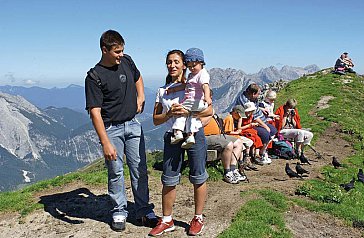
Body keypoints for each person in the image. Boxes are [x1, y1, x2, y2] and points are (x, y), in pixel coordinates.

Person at [84, 30, 157, 232]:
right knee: (115, 171)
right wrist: (105, 141)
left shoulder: (127, 61)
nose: (121, 55)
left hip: (133, 124)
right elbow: (95, 113)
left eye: (122, 50)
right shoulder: (94, 77)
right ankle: (119, 210)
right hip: (111, 129)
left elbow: (138, 77)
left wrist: (141, 96)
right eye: (117, 51)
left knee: (139, 168)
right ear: (104, 50)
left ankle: (144, 210)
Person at [149, 49, 212, 236]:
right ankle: (167, 220)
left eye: (177, 62)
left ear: (184, 65)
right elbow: (155, 119)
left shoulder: (195, 84)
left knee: (198, 175)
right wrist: (169, 114)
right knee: (169, 178)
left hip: (195, 133)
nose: (172, 65)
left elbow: (209, 111)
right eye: (169, 62)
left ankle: (198, 217)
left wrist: (188, 113)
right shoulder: (162, 91)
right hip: (172, 135)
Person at [169, 48, 212, 149]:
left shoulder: (202, 74)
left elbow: (205, 86)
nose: (192, 68)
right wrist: (173, 89)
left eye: (194, 65)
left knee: (179, 111)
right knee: (192, 117)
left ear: (201, 63)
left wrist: (207, 97)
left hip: (195, 101)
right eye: (189, 66)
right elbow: (186, 86)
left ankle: (178, 132)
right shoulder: (192, 75)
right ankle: (190, 136)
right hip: (196, 103)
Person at [202, 90, 246, 184]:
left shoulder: (208, 107)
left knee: (238, 142)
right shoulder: (198, 107)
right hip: (205, 136)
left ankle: (233, 168)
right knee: (228, 144)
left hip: (217, 135)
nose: (210, 99)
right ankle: (227, 172)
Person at [235, 83, 277, 164]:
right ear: (253, 93)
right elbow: (253, 116)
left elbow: (256, 107)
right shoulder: (244, 101)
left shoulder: (253, 98)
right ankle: (260, 154)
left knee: (273, 130)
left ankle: (263, 150)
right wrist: (265, 126)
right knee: (265, 133)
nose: (258, 96)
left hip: (261, 120)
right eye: (258, 94)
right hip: (251, 123)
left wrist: (261, 109)